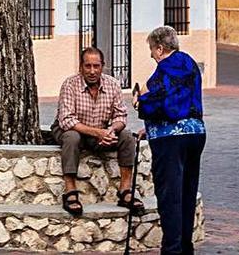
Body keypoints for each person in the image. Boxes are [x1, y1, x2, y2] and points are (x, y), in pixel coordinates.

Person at [136, 26, 206, 255]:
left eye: (152, 49)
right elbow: (182, 100)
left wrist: (140, 102)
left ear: (160, 47)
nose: (151, 55)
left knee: (170, 196)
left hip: (170, 140)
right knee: (187, 191)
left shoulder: (165, 69)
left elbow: (160, 102)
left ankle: (172, 250)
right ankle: (186, 247)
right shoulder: (190, 63)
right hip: (195, 133)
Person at [52, 47, 142, 216]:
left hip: (101, 130)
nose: (92, 71)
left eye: (96, 66)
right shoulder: (70, 85)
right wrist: (97, 133)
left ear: (103, 66)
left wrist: (110, 131)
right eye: (88, 66)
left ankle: (125, 190)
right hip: (72, 129)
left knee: (128, 137)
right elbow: (67, 120)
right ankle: (70, 192)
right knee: (72, 137)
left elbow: (121, 115)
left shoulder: (113, 84)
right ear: (81, 67)